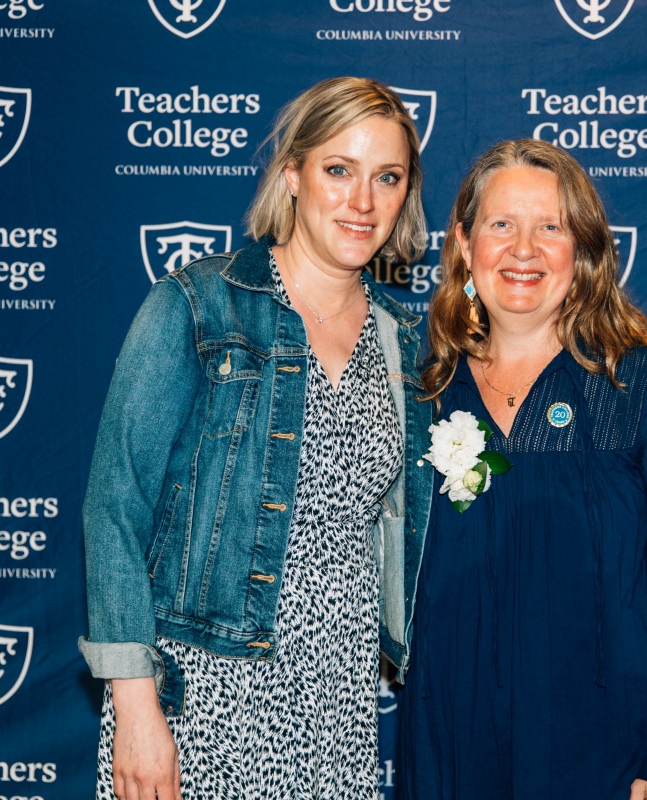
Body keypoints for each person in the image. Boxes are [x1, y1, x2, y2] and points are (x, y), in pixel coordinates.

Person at [78, 77, 433, 800]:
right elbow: (115, 508)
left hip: (337, 695)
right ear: (293, 173)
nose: (362, 201)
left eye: (386, 177)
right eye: (339, 170)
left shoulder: (407, 343)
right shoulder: (196, 303)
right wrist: (136, 708)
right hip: (203, 688)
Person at [398, 139, 647, 800]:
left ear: (585, 251)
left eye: (551, 226)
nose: (525, 248)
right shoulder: (422, 389)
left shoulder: (636, 388)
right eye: (501, 224)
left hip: (606, 760)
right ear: (463, 242)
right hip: (449, 751)